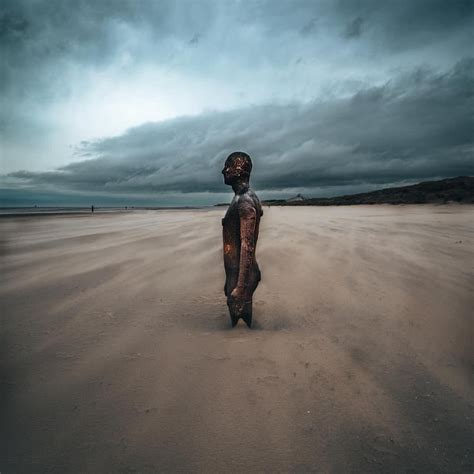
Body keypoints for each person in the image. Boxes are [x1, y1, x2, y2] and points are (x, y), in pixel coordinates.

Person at [221, 152, 263, 327]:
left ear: (240, 170)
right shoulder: (242, 198)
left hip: (242, 275)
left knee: (240, 330)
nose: (224, 170)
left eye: (229, 165)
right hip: (238, 273)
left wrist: (240, 287)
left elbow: (247, 245)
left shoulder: (245, 200)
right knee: (243, 326)